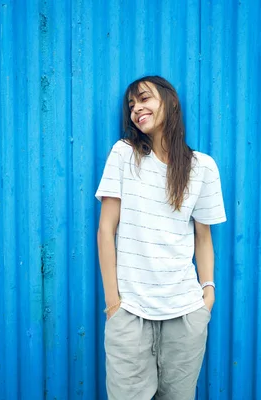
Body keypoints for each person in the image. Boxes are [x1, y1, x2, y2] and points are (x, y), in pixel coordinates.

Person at [96, 76, 226, 399]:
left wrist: (206, 296)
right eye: (131, 105)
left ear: (169, 101)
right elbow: (105, 230)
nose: (136, 109)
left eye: (144, 99)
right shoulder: (124, 156)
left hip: (184, 316)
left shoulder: (202, 168)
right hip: (131, 315)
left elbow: (203, 237)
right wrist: (114, 304)